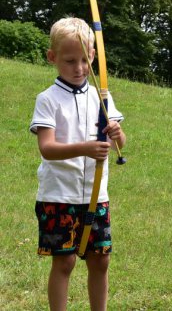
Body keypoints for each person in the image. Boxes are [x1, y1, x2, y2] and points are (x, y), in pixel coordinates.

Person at [30, 17, 126, 311]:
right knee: (66, 260)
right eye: (70, 61)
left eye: (85, 60)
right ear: (52, 58)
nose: (79, 68)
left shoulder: (102, 98)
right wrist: (85, 148)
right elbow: (47, 148)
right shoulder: (48, 99)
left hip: (96, 195)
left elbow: (118, 144)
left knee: (101, 259)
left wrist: (117, 134)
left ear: (94, 57)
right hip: (59, 196)